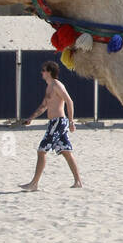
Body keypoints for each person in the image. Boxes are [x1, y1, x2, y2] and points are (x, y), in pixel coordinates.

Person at [20, 61, 82, 190]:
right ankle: (78, 182)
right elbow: (44, 106)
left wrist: (71, 122)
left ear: (49, 72)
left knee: (41, 151)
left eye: (43, 70)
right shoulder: (49, 87)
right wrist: (31, 118)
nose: (41, 73)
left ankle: (34, 184)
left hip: (58, 122)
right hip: (54, 123)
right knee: (66, 152)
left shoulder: (56, 85)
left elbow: (69, 101)